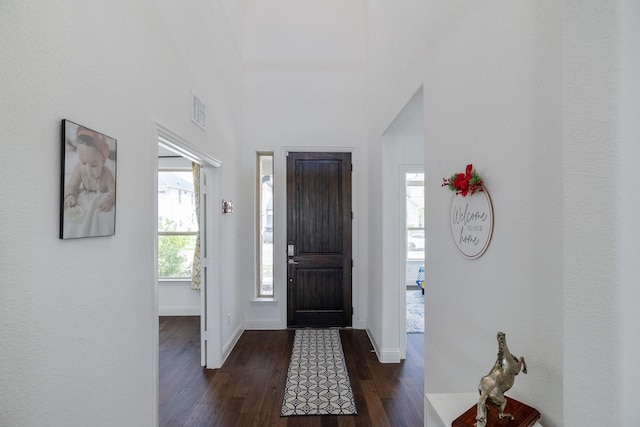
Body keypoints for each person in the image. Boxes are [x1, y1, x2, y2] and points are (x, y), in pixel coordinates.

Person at [62, 126, 116, 238]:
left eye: (94, 165)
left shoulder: (107, 175)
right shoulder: (78, 170)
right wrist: (70, 196)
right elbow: (72, 185)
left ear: (103, 161)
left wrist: (109, 199)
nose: (88, 171)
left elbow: (114, 190)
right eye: (83, 162)